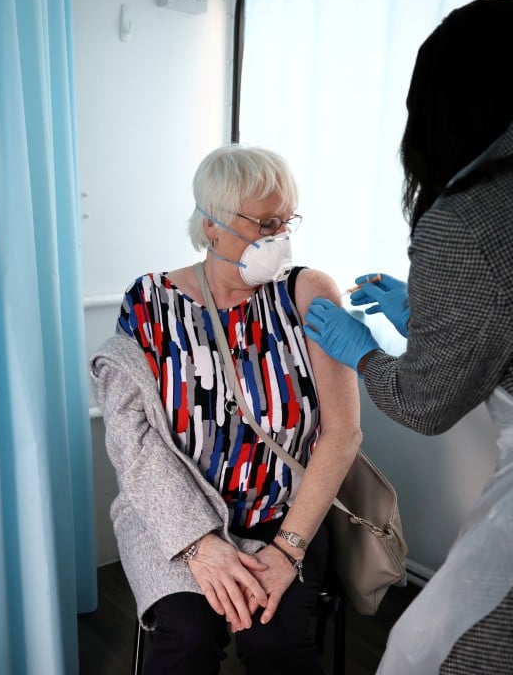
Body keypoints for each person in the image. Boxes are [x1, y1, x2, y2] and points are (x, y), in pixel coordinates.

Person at [302, 0, 513, 673]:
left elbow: (425, 404)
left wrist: (367, 350)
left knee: (426, 652)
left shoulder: (479, 216)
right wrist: (432, 314)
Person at [90, 144, 361, 674]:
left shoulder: (307, 293)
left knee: (274, 644)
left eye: (287, 221)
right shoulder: (149, 303)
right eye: (265, 223)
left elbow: (343, 433)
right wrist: (196, 544)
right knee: (185, 637)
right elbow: (133, 440)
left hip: (284, 519)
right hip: (176, 516)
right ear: (211, 227)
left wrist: (286, 551)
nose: (279, 237)